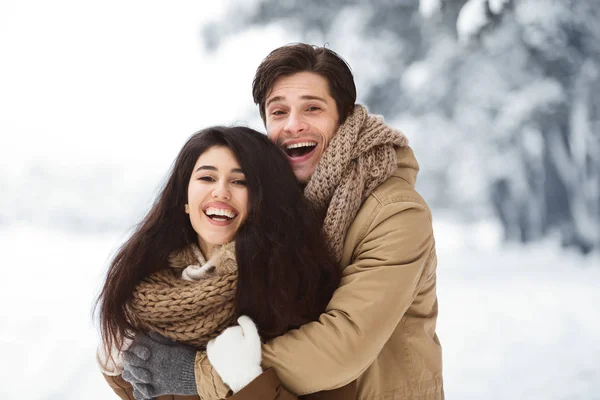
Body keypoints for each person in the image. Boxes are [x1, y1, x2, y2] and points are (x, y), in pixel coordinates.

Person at [123, 43, 444, 399]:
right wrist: (133, 361)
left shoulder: (394, 211)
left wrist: (199, 374)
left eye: (312, 108)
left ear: (345, 117)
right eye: (279, 112)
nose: (293, 125)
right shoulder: (269, 204)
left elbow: (343, 344)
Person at [95, 126, 357, 399]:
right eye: (207, 177)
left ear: (263, 201)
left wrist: (246, 382)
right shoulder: (145, 291)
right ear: (184, 198)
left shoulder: (297, 287)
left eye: (240, 182)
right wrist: (118, 373)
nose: (221, 192)